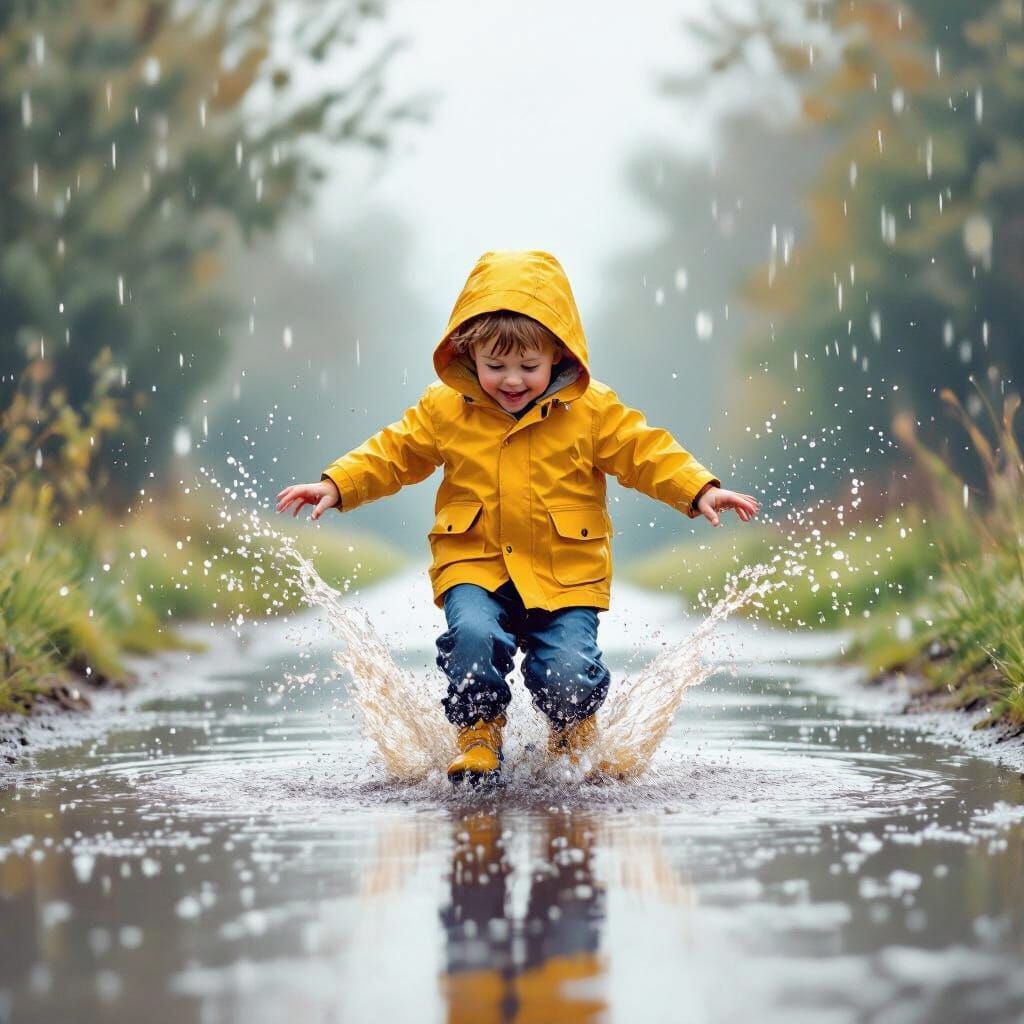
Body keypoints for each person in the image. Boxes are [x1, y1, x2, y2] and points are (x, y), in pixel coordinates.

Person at [276, 250, 759, 785]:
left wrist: (697, 489)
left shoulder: (592, 409)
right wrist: (337, 483)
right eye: (495, 366)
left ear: (557, 354)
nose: (511, 380)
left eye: (529, 366)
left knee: (568, 674)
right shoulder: (445, 409)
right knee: (473, 638)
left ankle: (571, 733)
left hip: (565, 572)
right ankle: (479, 732)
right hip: (475, 563)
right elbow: (394, 453)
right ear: (468, 354)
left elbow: (644, 451)